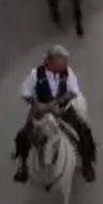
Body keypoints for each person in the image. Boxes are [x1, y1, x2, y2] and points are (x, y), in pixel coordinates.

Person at [12, 44, 97, 183]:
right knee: (23, 135)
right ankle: (23, 167)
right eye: (62, 62)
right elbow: (25, 92)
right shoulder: (36, 74)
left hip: (63, 110)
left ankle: (87, 165)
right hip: (41, 111)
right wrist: (37, 104)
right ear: (51, 62)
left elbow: (73, 91)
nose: (65, 65)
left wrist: (58, 103)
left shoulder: (68, 72)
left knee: (84, 132)